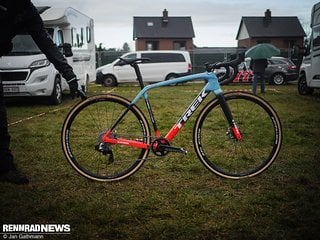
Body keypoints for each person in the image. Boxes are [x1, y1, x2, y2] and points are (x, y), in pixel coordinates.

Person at [0, 0, 79, 184]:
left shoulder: (28, 11)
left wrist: (69, 74)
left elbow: (46, 43)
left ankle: (5, 168)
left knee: (0, 119)